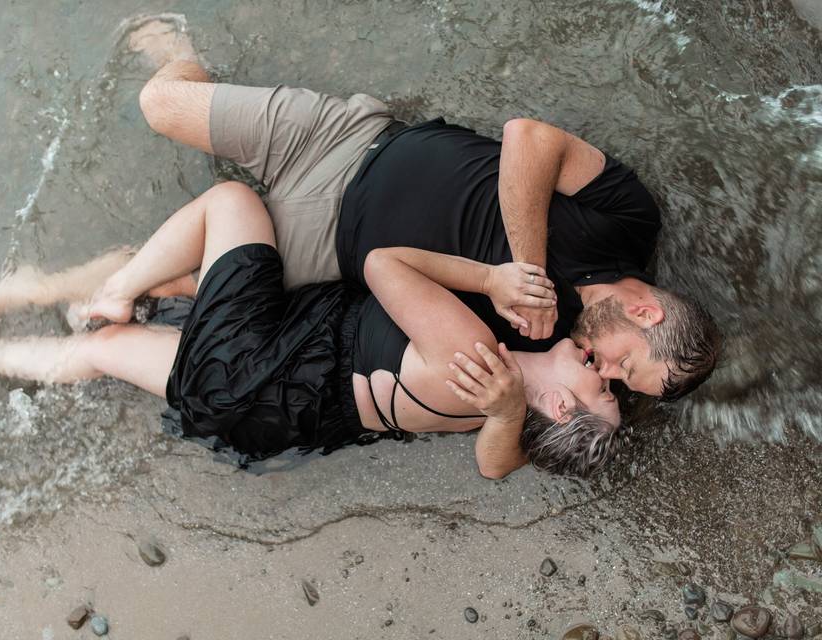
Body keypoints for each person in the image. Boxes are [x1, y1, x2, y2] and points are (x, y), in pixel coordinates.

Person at [128, 32, 720, 404]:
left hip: (323, 245)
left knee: (168, 285)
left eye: (616, 383)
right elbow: (530, 139)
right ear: (646, 311)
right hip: (346, 141)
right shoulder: (631, 221)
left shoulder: (550, 347)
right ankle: (180, 48)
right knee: (159, 103)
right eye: (626, 363)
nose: (605, 370)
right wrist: (527, 271)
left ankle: (73, 307)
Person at [0, 181, 622, 479]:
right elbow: (498, 466)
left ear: (561, 406)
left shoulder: (472, 360)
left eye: (601, 385)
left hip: (261, 363)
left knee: (231, 203)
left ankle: (118, 291)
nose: (600, 365)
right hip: (261, 418)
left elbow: (383, 264)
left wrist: (490, 279)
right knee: (103, 350)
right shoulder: (502, 423)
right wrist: (505, 416)